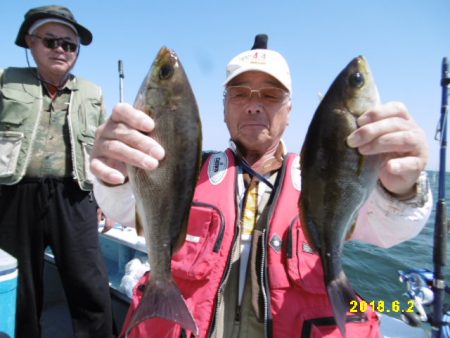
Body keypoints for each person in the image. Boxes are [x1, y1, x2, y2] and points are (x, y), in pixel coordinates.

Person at [91, 34, 432, 337]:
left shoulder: (321, 177)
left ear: (290, 111)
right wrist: (115, 174)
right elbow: (121, 207)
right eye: (239, 94)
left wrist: (401, 189)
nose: (254, 104)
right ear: (223, 108)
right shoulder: (187, 171)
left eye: (270, 95)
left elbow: (389, 229)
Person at [0, 5, 114, 338]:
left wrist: (105, 197)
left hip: (75, 197)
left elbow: (103, 150)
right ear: (30, 43)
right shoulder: (5, 80)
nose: (61, 50)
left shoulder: (93, 93)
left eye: (70, 44)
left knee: (91, 287)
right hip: (13, 196)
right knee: (24, 290)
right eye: (51, 41)